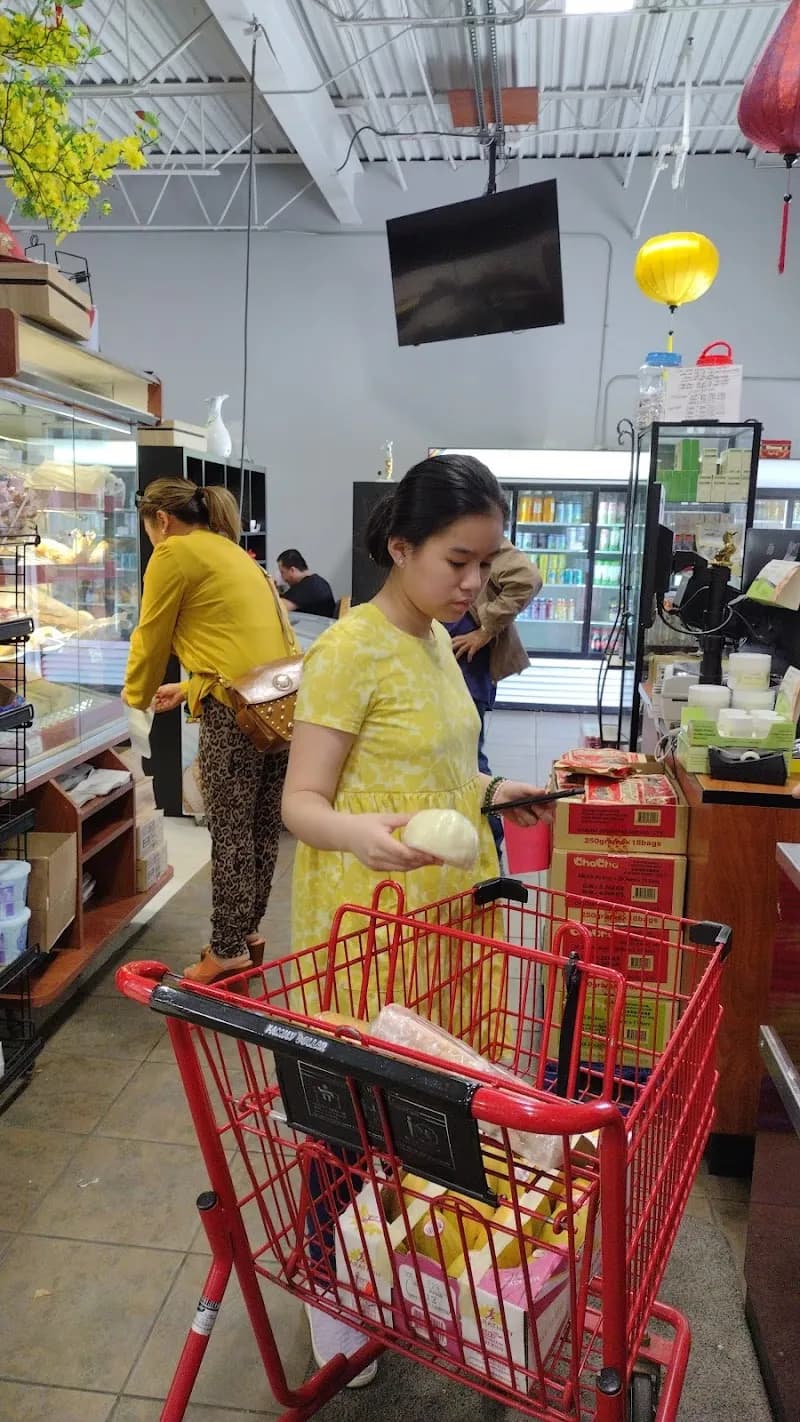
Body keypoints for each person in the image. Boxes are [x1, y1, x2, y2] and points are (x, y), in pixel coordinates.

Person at [281, 453, 551, 1383]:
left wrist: (492, 789)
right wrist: (360, 832)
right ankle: (331, 1305)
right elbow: (302, 802)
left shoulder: (439, 639)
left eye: (486, 563)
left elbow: (436, 769)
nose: (474, 584)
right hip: (370, 924)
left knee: (418, 1122)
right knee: (351, 1120)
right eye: (457, 561)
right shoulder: (349, 648)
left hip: (443, 921)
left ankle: (389, 1276)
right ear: (400, 548)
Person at [124, 477, 298, 985]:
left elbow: (151, 634)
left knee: (230, 831)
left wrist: (133, 700)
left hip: (236, 713)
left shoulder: (174, 552)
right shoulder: (231, 551)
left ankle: (224, 952)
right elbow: (236, 643)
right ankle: (245, 935)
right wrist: (188, 687)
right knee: (262, 828)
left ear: (160, 520)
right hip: (280, 705)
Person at [443, 539, 542, 854]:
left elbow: (527, 579)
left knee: (470, 760)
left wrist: (486, 627)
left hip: (466, 671)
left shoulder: (471, 529)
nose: (471, 580)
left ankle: (490, 847)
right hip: (448, 668)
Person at [277, 548, 336, 618]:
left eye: (282, 572)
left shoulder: (308, 587)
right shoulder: (316, 582)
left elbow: (277, 609)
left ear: (292, 570)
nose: (283, 578)